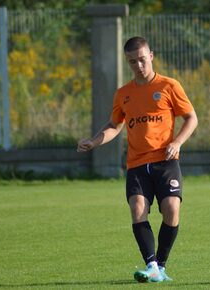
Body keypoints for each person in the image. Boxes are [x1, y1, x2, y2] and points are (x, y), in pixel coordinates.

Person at [77, 36, 198, 283]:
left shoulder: (169, 86)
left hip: (165, 161)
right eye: (133, 62)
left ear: (151, 55)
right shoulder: (123, 94)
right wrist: (94, 141)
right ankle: (152, 265)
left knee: (172, 209)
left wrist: (177, 143)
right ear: (128, 62)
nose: (139, 66)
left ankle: (161, 266)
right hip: (136, 164)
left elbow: (191, 118)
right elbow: (114, 125)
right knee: (137, 208)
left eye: (142, 60)